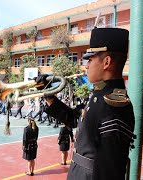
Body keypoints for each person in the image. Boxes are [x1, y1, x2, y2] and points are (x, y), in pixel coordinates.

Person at [37, 28, 136, 180]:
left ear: (106, 62)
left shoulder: (114, 105)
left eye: (90, 59)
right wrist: (50, 98)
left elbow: (109, 171)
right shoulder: (100, 95)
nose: (86, 65)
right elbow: (78, 120)